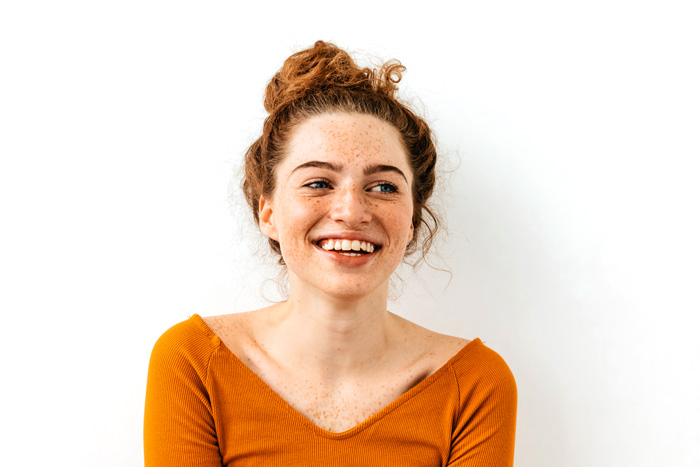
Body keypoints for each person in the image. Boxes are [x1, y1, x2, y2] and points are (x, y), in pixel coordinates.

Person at [144, 40, 517, 466]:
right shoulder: (194, 362)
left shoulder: (475, 383)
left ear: (411, 220)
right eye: (318, 182)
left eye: (383, 187)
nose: (352, 212)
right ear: (267, 212)